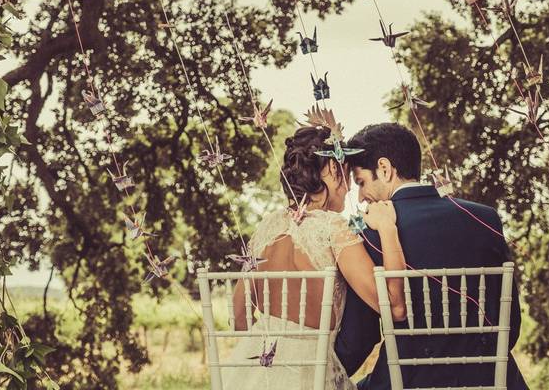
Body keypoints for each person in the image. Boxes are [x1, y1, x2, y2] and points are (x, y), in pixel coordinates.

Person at [335, 123, 528, 390]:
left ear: (385, 169)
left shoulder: (371, 234)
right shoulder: (486, 219)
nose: (361, 196)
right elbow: (510, 322)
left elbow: (360, 337)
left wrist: (327, 371)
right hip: (490, 379)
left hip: (408, 382)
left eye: (361, 182)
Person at [220, 125, 408, 389]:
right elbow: (393, 307)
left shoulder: (267, 227)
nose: (349, 190)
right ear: (332, 170)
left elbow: (239, 318)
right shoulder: (333, 228)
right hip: (312, 375)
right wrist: (388, 229)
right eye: (347, 178)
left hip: (253, 372)